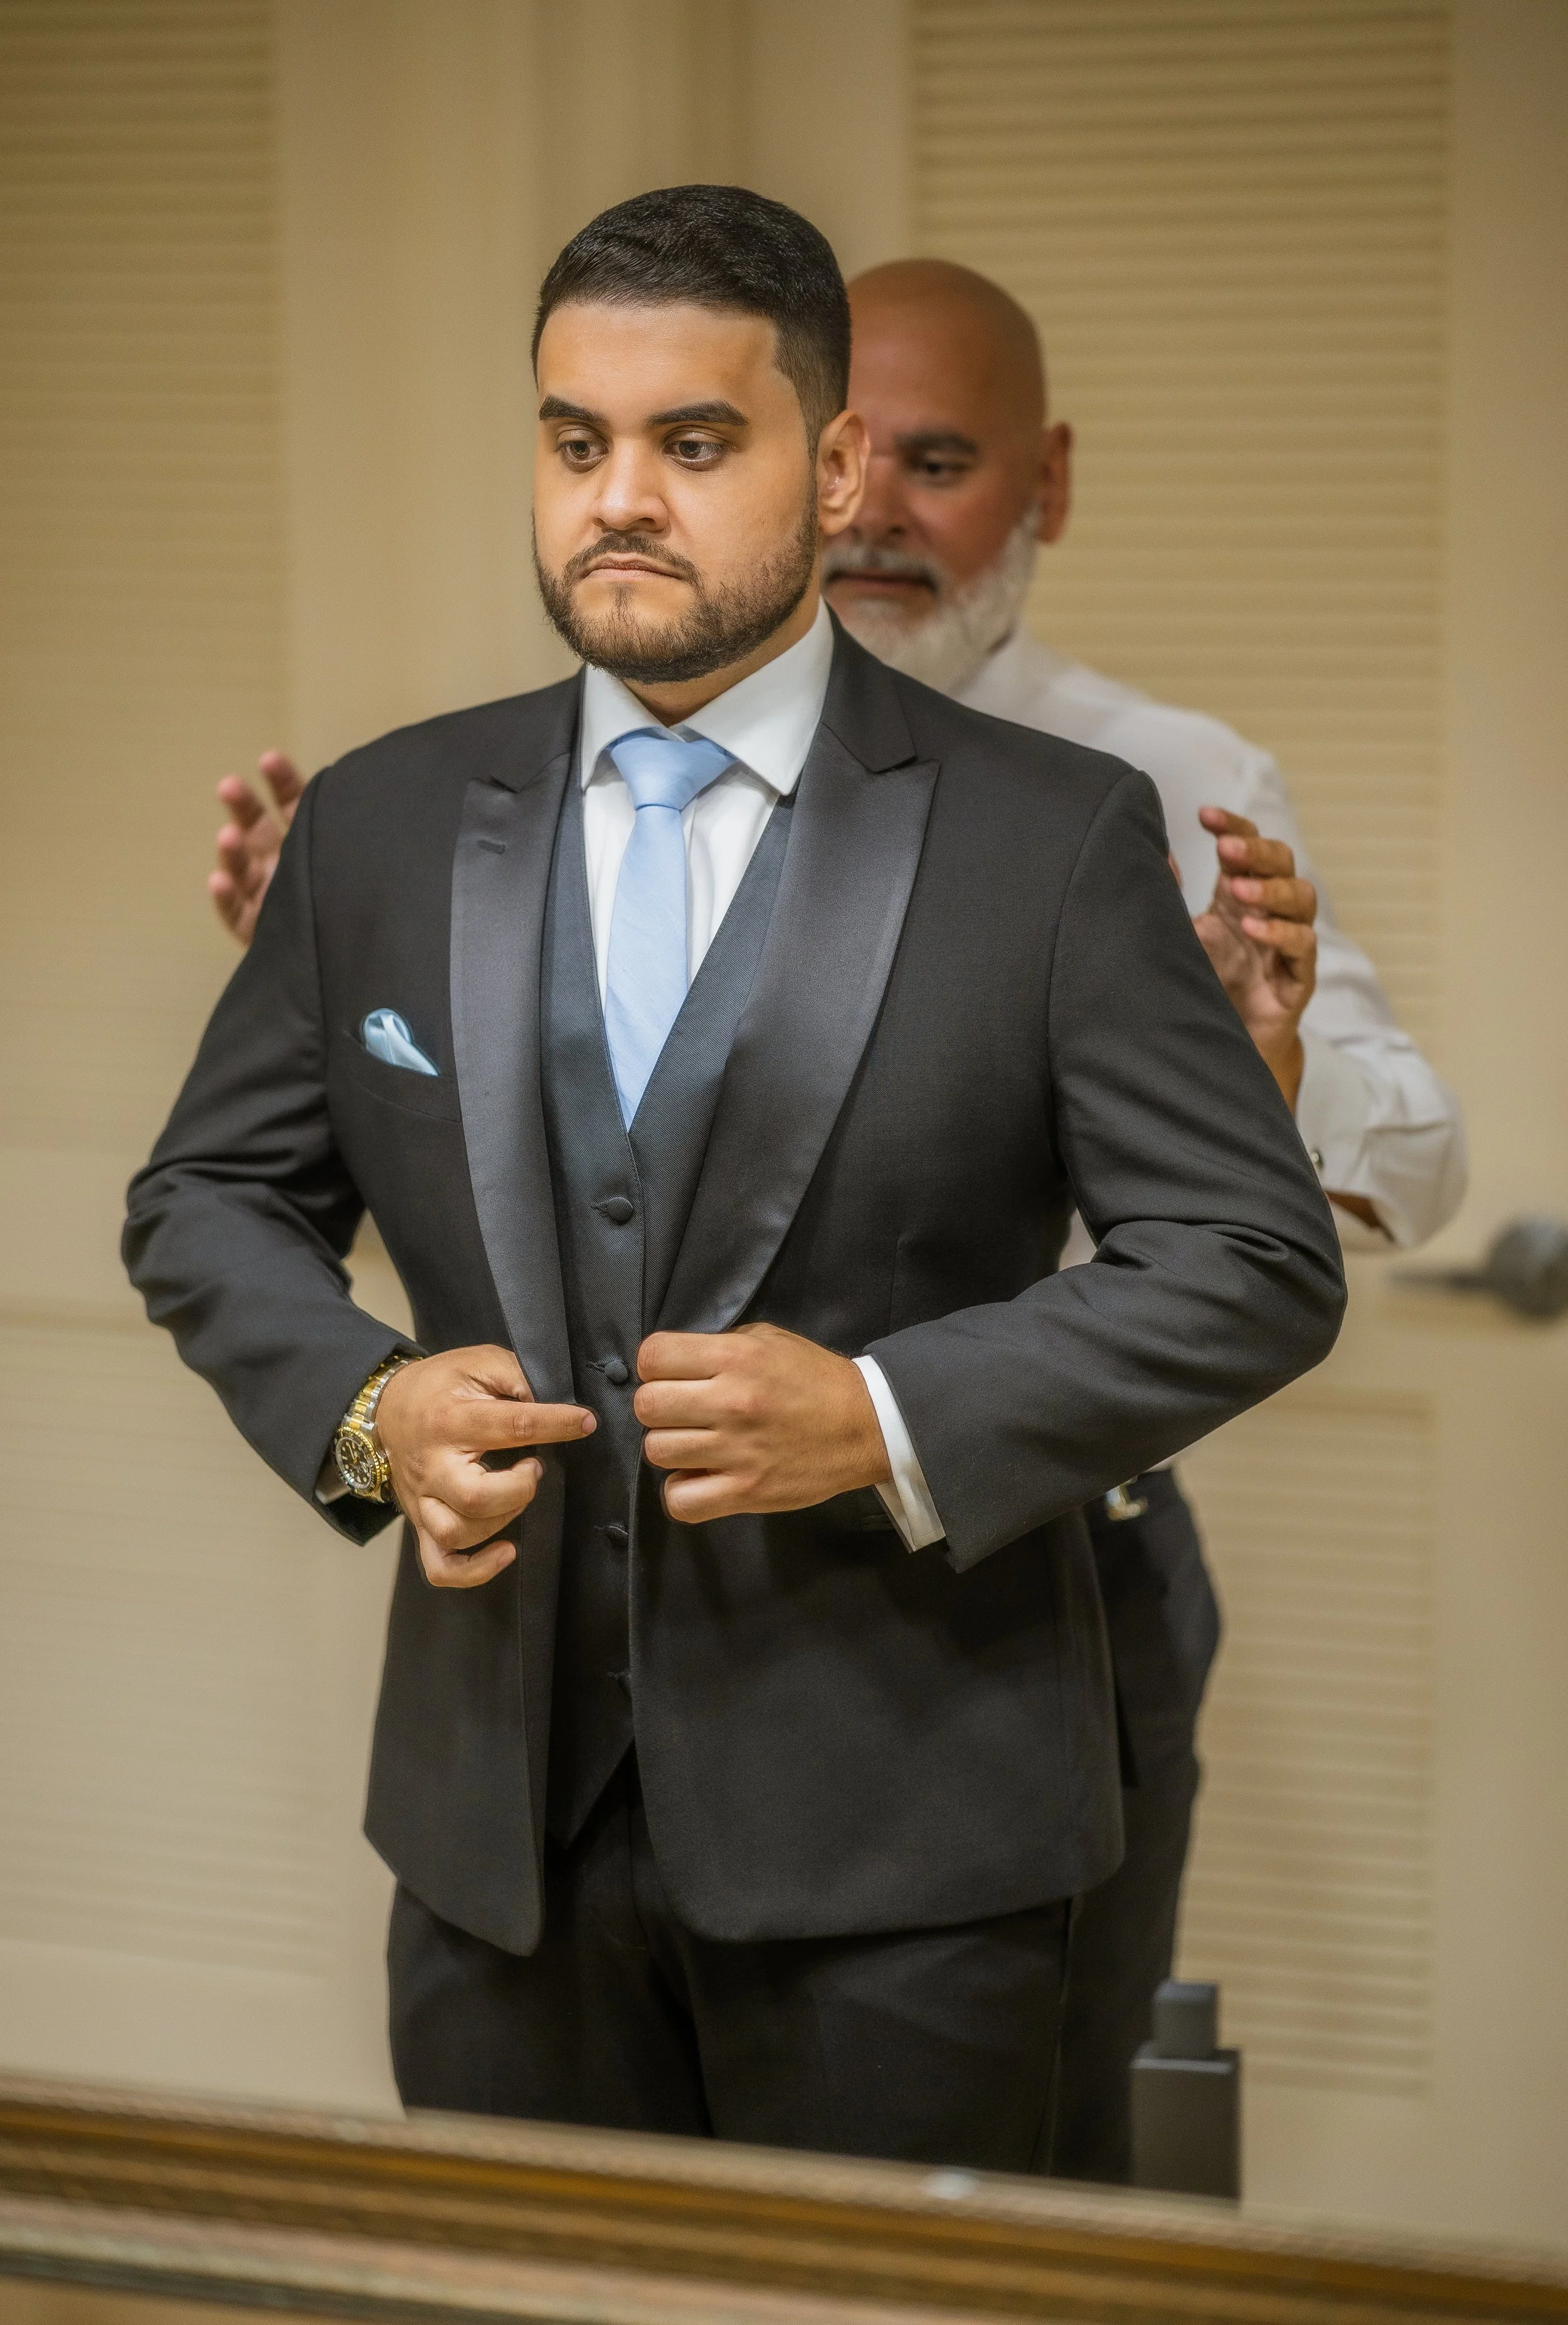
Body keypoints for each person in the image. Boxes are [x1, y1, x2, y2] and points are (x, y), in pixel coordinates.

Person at [130, 186, 1346, 2169]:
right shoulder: (386, 821)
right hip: (489, 1856)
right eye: (574, 439)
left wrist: (880, 1415)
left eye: (695, 444)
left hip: (910, 1863)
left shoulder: (1048, 842)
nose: (621, 497)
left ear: (830, 454)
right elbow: (203, 1198)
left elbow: (1247, 1256)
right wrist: (366, 1407)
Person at [819, 257, 1465, 2183]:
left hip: (1050, 1578)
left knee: (1024, 2169)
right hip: (698, 1579)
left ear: (1046, 486)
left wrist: (1246, 1067)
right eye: (841, 454)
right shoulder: (637, 771)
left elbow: (1413, 1160)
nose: (870, 516)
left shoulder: (1171, 781)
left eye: (936, 464)